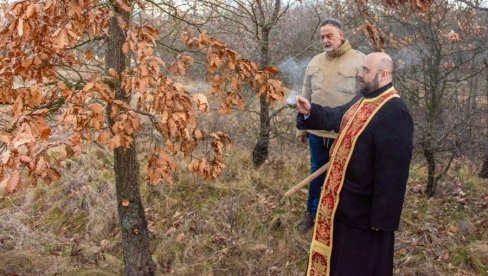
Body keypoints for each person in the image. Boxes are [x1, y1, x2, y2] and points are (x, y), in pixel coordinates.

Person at [296, 52, 413, 276]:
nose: (360, 75)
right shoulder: (363, 100)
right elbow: (337, 117)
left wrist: (382, 221)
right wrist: (310, 111)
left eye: (366, 71)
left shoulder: (395, 112)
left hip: (365, 216)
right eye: (361, 69)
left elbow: (394, 174)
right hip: (343, 204)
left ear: (384, 74)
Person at [297, 19, 365, 233]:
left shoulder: (360, 61)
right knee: (316, 173)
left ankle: (339, 219)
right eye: (322, 37)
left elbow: (366, 100)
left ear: (342, 36)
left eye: (329, 36)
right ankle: (312, 213)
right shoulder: (315, 61)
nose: (325, 40)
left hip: (344, 134)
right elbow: (305, 93)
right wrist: (302, 128)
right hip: (316, 133)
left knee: (344, 177)